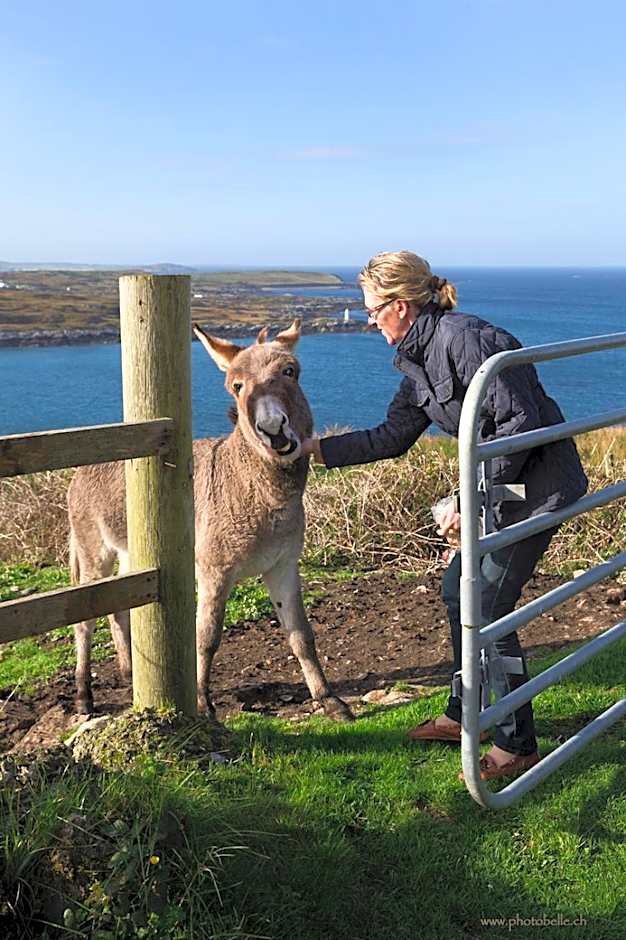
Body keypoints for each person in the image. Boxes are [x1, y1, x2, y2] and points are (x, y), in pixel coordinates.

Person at [302, 251, 588, 782]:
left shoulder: (467, 339)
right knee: (459, 591)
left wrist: (468, 500)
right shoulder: (419, 359)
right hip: (499, 488)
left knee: (489, 605)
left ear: (402, 306)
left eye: (372, 310)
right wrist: (315, 451)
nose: (368, 321)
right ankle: (466, 712)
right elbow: (392, 438)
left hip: (539, 489)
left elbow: (519, 425)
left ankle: (516, 742)